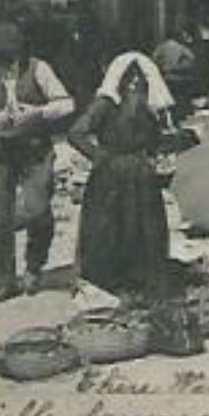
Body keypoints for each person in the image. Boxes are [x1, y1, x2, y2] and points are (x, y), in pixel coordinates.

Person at [0, 22, 75, 302]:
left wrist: (38, 113)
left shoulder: (39, 69)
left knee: (38, 209)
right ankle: (4, 279)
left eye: (9, 60)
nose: (6, 67)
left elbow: (67, 103)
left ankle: (34, 266)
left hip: (34, 150)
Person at [67, 54, 173, 299]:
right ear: (119, 80)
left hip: (140, 176)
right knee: (109, 228)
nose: (135, 85)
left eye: (140, 79)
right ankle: (109, 280)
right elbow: (76, 133)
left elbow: (156, 142)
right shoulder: (106, 104)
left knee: (142, 230)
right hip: (110, 176)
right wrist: (99, 156)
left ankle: (139, 282)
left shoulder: (149, 108)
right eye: (130, 79)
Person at [151, 28, 199, 120]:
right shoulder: (182, 48)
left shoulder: (162, 47)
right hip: (179, 79)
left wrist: (162, 67)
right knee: (179, 101)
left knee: (167, 102)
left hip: (165, 78)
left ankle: (168, 119)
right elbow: (192, 60)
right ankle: (178, 118)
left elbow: (153, 59)